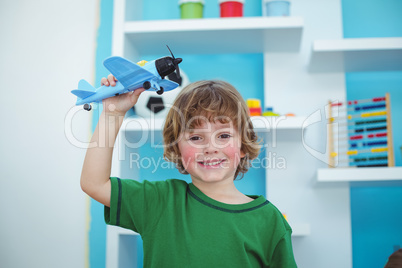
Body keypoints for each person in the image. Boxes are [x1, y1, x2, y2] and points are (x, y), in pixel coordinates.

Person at [80, 75, 297, 267]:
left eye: (223, 136)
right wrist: (112, 114)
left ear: (243, 145)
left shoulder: (270, 220)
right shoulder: (160, 201)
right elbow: (94, 183)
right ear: (177, 148)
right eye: (195, 137)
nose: (210, 147)